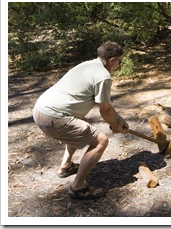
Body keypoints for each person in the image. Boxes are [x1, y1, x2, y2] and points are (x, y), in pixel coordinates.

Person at [32, 41, 129, 200]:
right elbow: (104, 110)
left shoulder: (88, 65)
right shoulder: (103, 77)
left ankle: (66, 166)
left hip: (39, 110)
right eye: (120, 61)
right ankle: (77, 187)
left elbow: (107, 107)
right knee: (101, 141)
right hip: (53, 117)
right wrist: (115, 125)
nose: (119, 65)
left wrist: (118, 119)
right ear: (112, 60)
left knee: (80, 122)